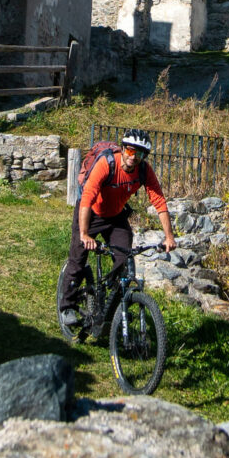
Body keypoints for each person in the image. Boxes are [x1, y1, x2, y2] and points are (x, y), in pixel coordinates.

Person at [58, 130, 177, 328]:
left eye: (139, 154)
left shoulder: (144, 170)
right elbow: (87, 198)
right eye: (130, 151)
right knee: (78, 259)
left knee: (124, 257)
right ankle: (67, 307)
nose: (133, 157)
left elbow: (159, 201)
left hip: (115, 215)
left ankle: (109, 304)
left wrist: (169, 237)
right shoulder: (107, 164)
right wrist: (85, 233)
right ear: (123, 149)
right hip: (92, 212)